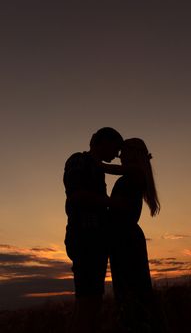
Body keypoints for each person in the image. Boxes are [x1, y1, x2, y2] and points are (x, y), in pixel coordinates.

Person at [63, 127, 123, 333]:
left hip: (92, 238)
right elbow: (76, 196)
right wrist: (111, 203)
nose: (116, 155)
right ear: (103, 142)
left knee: (91, 301)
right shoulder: (79, 160)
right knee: (88, 303)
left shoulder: (95, 167)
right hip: (84, 237)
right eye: (116, 148)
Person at [102, 138, 165, 332]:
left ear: (133, 153)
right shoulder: (136, 174)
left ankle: (141, 325)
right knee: (128, 288)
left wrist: (95, 164)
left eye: (123, 152)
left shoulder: (135, 172)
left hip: (126, 237)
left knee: (132, 289)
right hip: (124, 236)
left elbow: (113, 171)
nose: (120, 157)